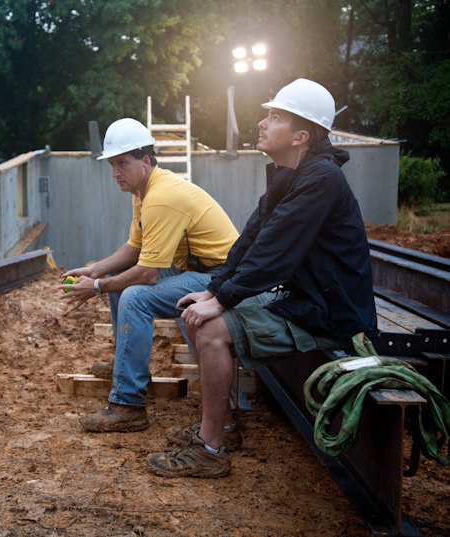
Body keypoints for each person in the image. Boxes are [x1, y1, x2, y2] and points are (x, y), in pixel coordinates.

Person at [147, 79, 378, 479]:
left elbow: (275, 253)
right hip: (307, 298)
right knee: (198, 311)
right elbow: (252, 239)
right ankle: (223, 428)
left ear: (301, 135)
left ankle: (209, 450)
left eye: (275, 117)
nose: (261, 123)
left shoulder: (321, 179)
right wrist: (213, 288)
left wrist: (220, 302)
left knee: (211, 328)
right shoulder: (293, 175)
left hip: (333, 313)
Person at [60, 117, 239, 433]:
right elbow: (135, 246)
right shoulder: (144, 190)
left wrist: (97, 286)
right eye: (112, 165)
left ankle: (128, 404)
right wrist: (95, 270)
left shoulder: (160, 197)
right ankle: (124, 364)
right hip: (199, 269)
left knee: (133, 295)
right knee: (120, 280)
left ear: (145, 161)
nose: (115, 173)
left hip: (221, 278)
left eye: (122, 164)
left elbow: (146, 274)